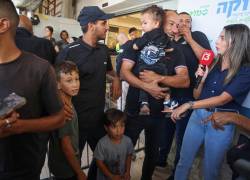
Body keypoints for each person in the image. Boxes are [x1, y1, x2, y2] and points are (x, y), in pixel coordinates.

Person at [171, 24, 250, 180]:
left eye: (222, 38)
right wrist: (201, 81)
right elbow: (196, 95)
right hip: (197, 117)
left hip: (221, 124)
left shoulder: (245, 71)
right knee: (183, 161)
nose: (217, 41)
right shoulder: (212, 62)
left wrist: (188, 105)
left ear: (235, 42)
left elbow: (223, 99)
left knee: (210, 170)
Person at [121, 5, 189, 180]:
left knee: (152, 153)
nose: (176, 29)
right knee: (126, 149)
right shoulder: (135, 44)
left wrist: (159, 78)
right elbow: (124, 72)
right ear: (159, 24)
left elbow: (185, 80)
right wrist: (147, 87)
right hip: (135, 109)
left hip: (159, 115)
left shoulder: (176, 49)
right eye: (172, 24)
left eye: (178, 25)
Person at [0, 1, 65, 180]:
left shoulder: (40, 69)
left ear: (3, 24)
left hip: (22, 168)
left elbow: (59, 118)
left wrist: (20, 126)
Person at [56, 6, 121, 179]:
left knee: (104, 160)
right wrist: (59, 103)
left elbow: (109, 72)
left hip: (98, 119)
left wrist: (116, 79)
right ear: (91, 25)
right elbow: (54, 82)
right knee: (70, 167)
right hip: (75, 121)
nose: (107, 27)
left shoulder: (103, 50)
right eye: (104, 23)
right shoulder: (70, 51)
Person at [158, 11, 212, 179]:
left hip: (188, 97)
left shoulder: (197, 36)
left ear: (191, 24)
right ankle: (160, 160)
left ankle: (176, 174)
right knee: (166, 130)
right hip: (170, 94)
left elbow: (208, 59)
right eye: (179, 21)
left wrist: (189, 38)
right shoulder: (170, 39)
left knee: (182, 137)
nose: (182, 24)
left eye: (187, 21)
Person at [132, 5, 177, 115]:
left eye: (145, 23)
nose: (142, 26)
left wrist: (135, 45)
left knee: (144, 84)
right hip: (160, 67)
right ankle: (167, 103)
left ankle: (144, 104)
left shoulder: (147, 35)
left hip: (146, 67)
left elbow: (136, 47)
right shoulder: (164, 35)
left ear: (156, 23)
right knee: (165, 85)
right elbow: (170, 48)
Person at [49, 61, 87, 180]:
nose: (75, 84)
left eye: (77, 79)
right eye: (69, 80)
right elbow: (66, 146)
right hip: (65, 166)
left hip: (63, 163)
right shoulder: (65, 110)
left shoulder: (67, 102)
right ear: (58, 84)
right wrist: (80, 172)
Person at [94, 108, 134, 180]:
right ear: (106, 128)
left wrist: (127, 172)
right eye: (114, 126)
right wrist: (111, 176)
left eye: (122, 126)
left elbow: (129, 155)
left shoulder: (128, 141)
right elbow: (99, 162)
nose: (119, 131)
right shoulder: (102, 144)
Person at [116, 33, 131, 111]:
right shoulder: (134, 46)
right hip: (134, 79)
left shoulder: (123, 49)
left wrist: (117, 77)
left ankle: (120, 117)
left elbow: (119, 65)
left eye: (118, 41)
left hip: (124, 80)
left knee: (121, 100)